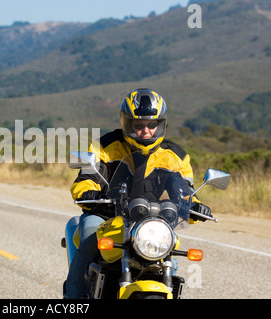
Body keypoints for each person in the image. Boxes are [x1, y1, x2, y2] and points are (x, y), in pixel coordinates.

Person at [64, 88, 212, 298]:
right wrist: (88, 192)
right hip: (107, 215)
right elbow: (87, 177)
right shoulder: (105, 146)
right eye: (139, 125)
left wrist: (194, 205)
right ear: (127, 122)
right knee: (89, 234)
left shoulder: (176, 156)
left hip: (151, 220)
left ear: (161, 124)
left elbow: (184, 190)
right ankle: (74, 299)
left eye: (152, 125)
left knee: (170, 257)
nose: (146, 131)